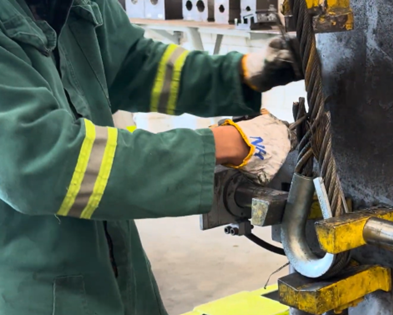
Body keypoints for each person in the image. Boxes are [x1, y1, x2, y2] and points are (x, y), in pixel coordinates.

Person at [0, 0, 303, 314]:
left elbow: (137, 65)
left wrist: (243, 73)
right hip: (31, 282)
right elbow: (41, 163)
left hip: (119, 260)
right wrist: (228, 143)